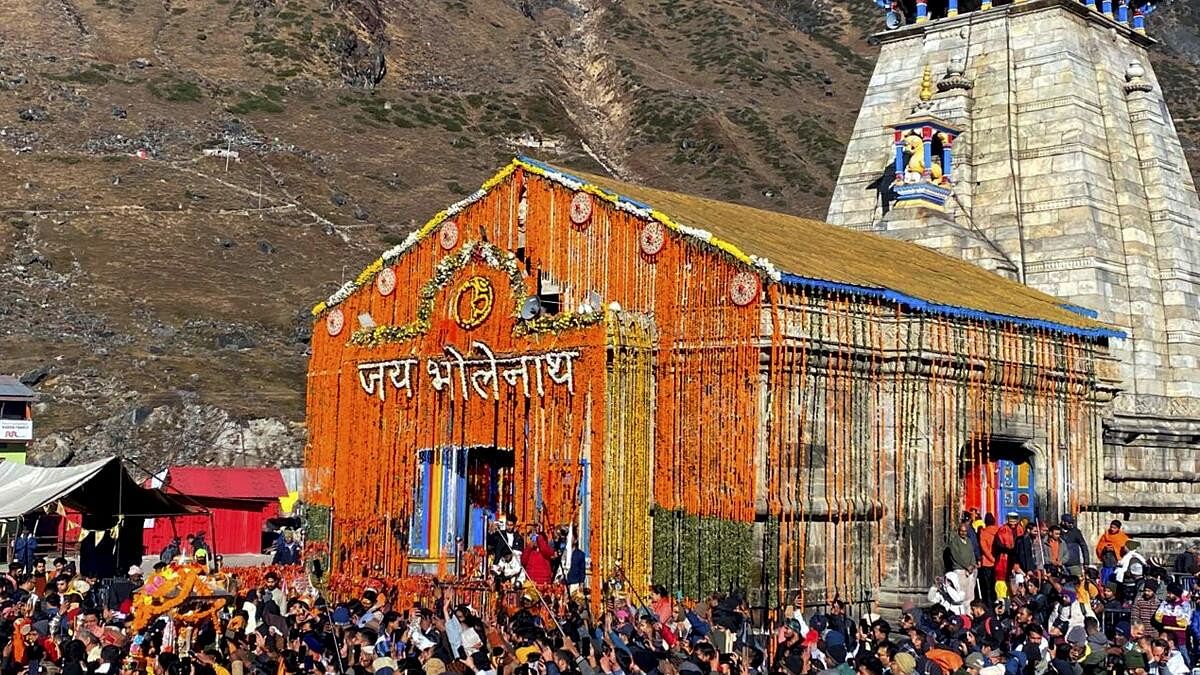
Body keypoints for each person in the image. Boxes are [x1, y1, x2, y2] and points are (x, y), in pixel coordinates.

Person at [948, 521, 978, 606]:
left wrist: (973, 564)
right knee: (961, 594)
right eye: (961, 531)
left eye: (965, 531)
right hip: (960, 570)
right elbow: (956, 556)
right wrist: (966, 566)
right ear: (958, 531)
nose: (963, 533)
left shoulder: (968, 541)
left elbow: (972, 553)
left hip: (970, 571)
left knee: (970, 594)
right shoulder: (954, 541)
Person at [1096, 521, 1129, 586]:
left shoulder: (1123, 537)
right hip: (1106, 563)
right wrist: (1105, 548)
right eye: (1111, 527)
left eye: (1114, 528)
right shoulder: (1106, 535)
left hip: (1116, 564)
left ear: (1118, 529)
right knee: (1104, 582)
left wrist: (1114, 549)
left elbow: (1125, 549)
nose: (1112, 529)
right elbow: (1099, 547)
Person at [979, 514, 999, 606]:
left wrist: (991, 559)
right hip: (997, 562)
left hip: (987, 563)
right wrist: (996, 560)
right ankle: (996, 602)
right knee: (994, 585)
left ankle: (988, 605)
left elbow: (984, 548)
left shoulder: (984, 532)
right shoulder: (998, 530)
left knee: (986, 587)